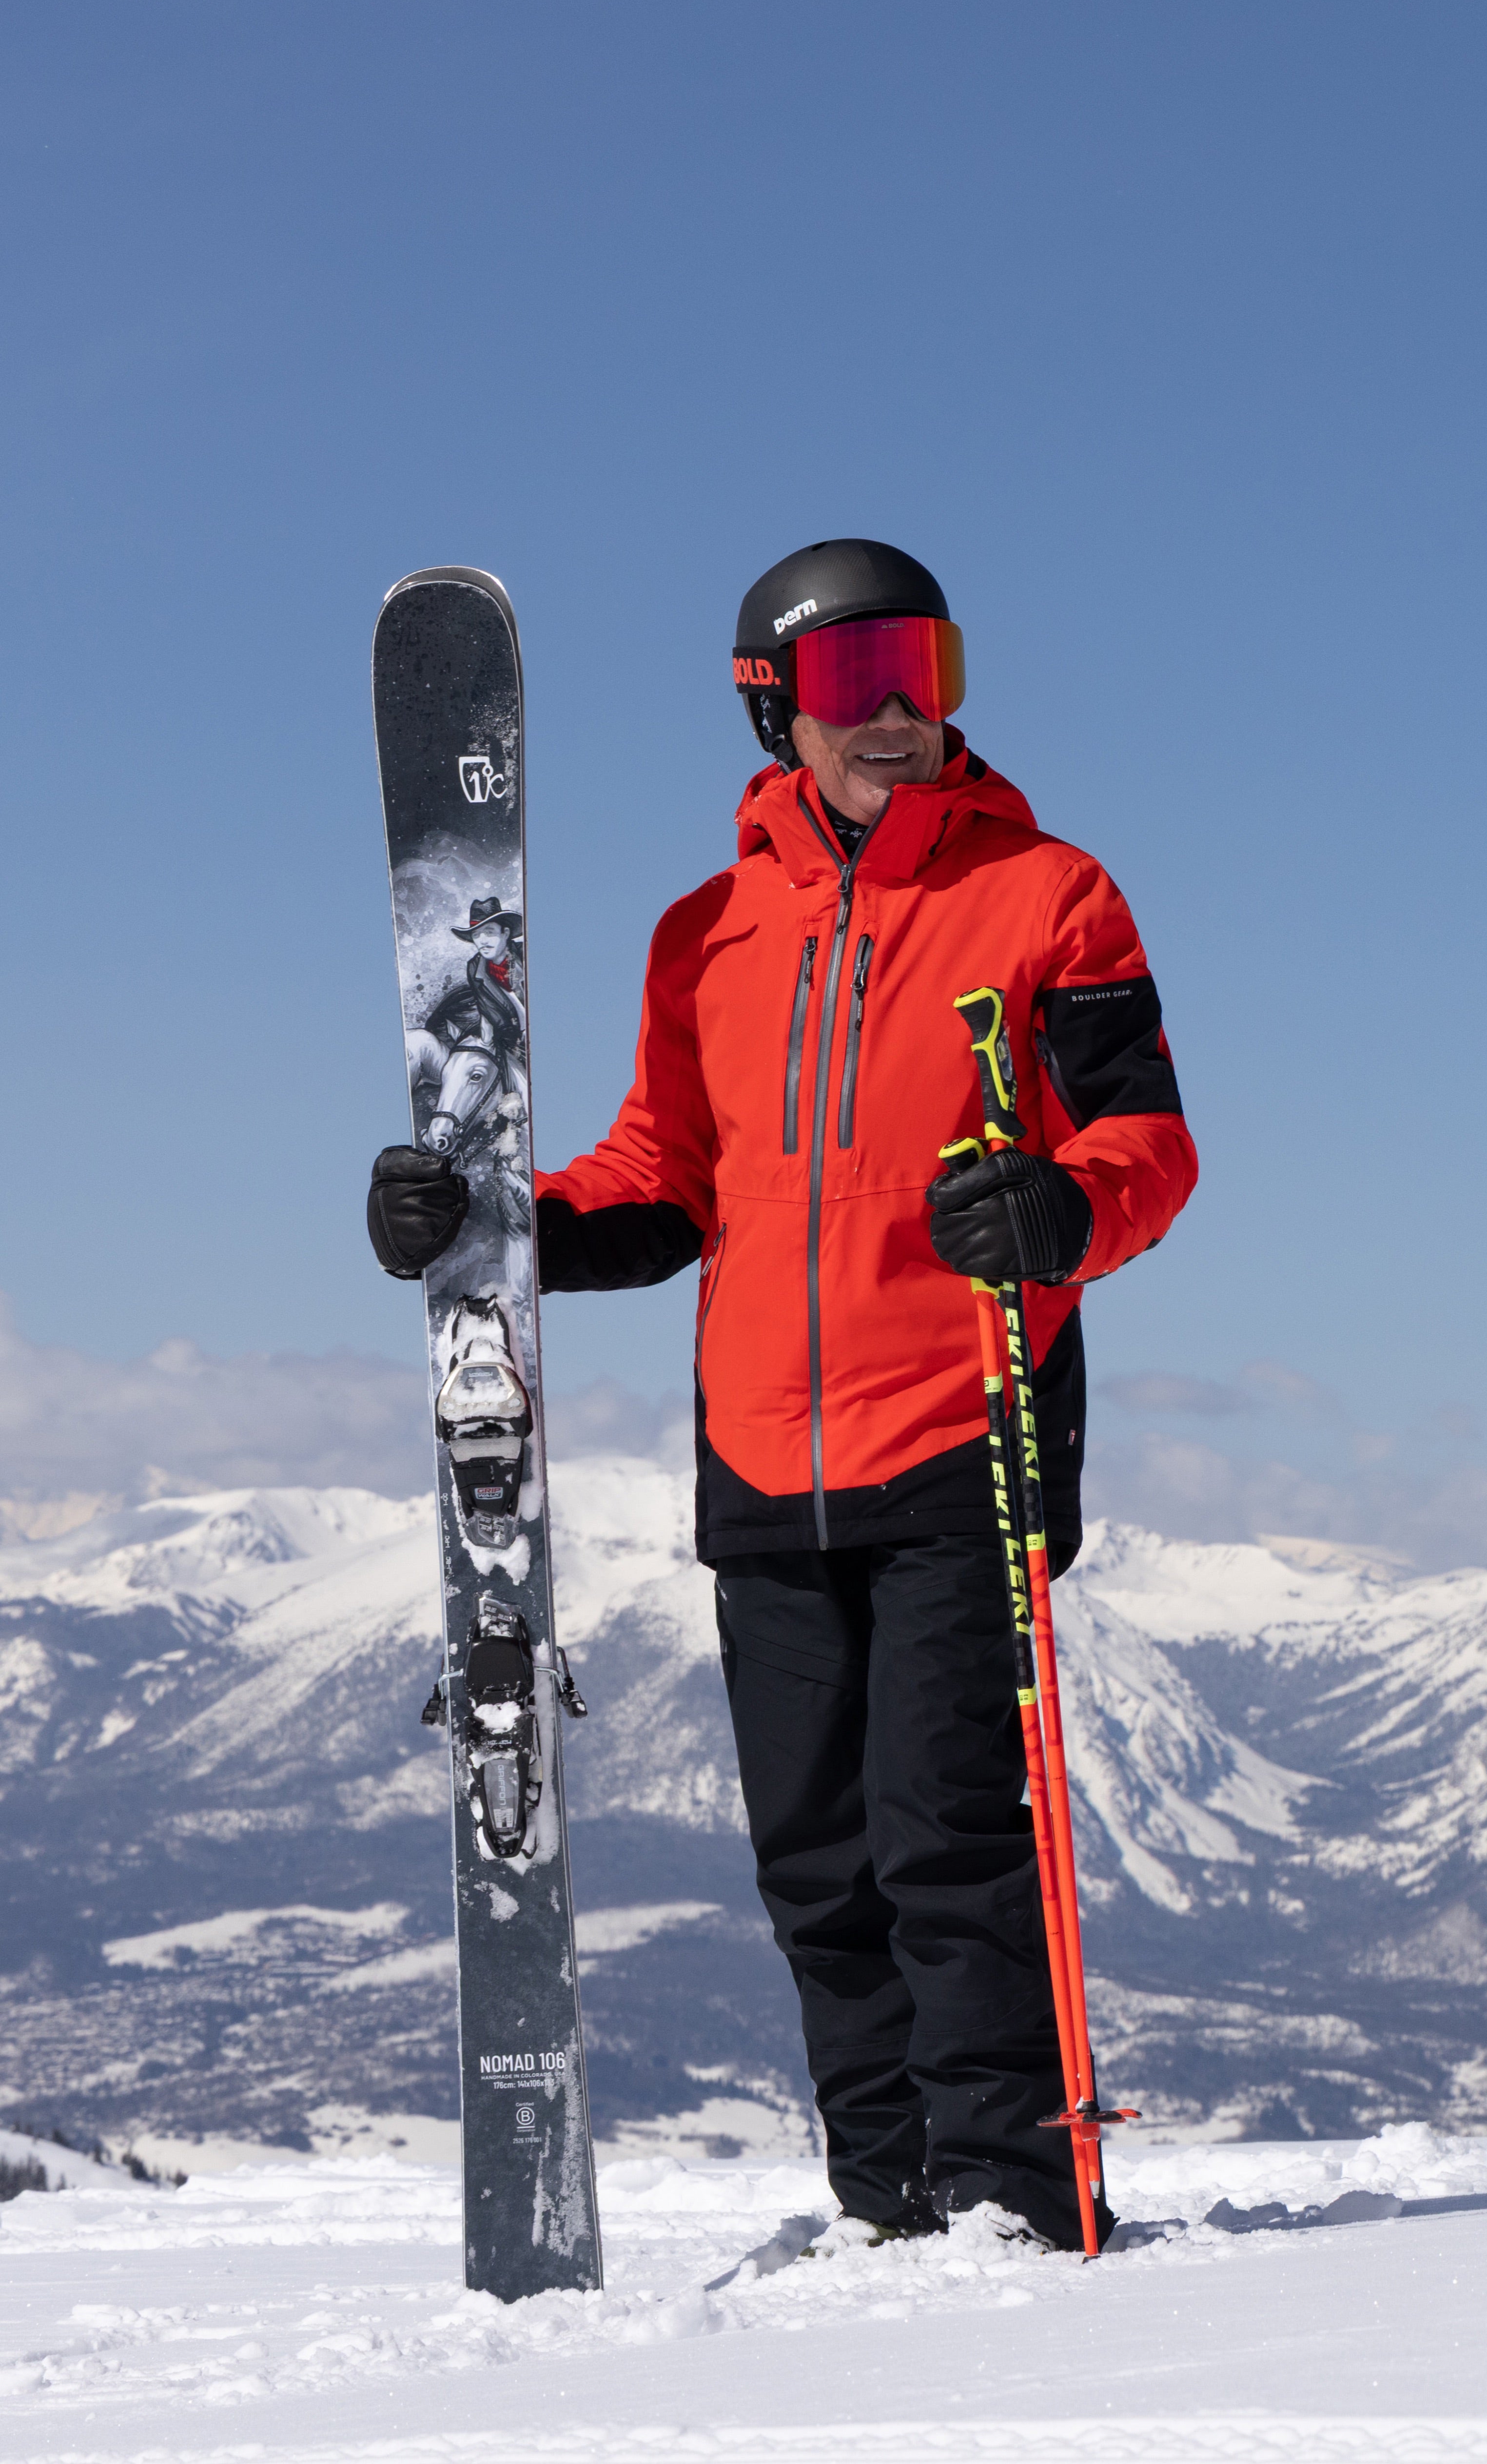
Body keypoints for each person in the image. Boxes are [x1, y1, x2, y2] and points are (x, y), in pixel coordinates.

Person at [367, 538, 1197, 2252]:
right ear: (774, 707)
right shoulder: (708, 934)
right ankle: (893, 2205)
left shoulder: (1054, 895)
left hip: (965, 1429)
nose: (897, 712)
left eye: (924, 671)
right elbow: (662, 1180)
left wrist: (1061, 1208)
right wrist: (493, 1225)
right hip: (761, 1459)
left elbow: (1148, 1141)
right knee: (815, 1860)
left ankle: (1010, 2200)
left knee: (945, 1838)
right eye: (850, 678)